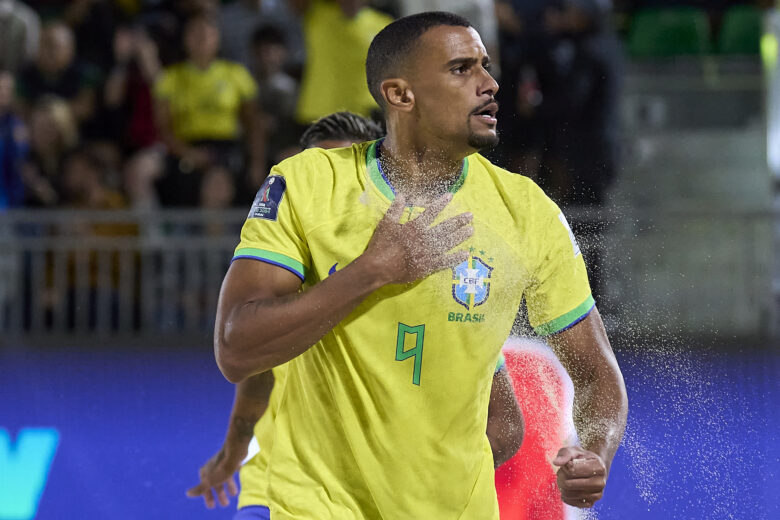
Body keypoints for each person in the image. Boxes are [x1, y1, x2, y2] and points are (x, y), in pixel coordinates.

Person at [214, 12, 627, 519]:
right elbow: (236, 348)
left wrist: (595, 450)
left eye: (486, 66)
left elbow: (593, 371)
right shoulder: (306, 184)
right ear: (400, 94)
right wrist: (372, 271)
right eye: (461, 69)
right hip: (313, 505)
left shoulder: (528, 212)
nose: (489, 83)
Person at [187, 111, 525, 517]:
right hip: (283, 491)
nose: (328, 191)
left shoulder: (431, 289)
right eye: (318, 174)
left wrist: (423, 484)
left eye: (343, 175)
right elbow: (256, 374)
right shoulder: (284, 278)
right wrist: (233, 451)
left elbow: (504, 425)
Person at [153, 13, 264, 207]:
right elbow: (163, 127)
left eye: (207, 32)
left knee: (217, 185)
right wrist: (187, 153)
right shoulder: (170, 78)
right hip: (184, 148)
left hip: (226, 149)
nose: (201, 38)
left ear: (218, 38)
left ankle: (216, 236)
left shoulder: (236, 74)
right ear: (185, 39)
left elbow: (253, 123)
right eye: (195, 32)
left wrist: (257, 162)